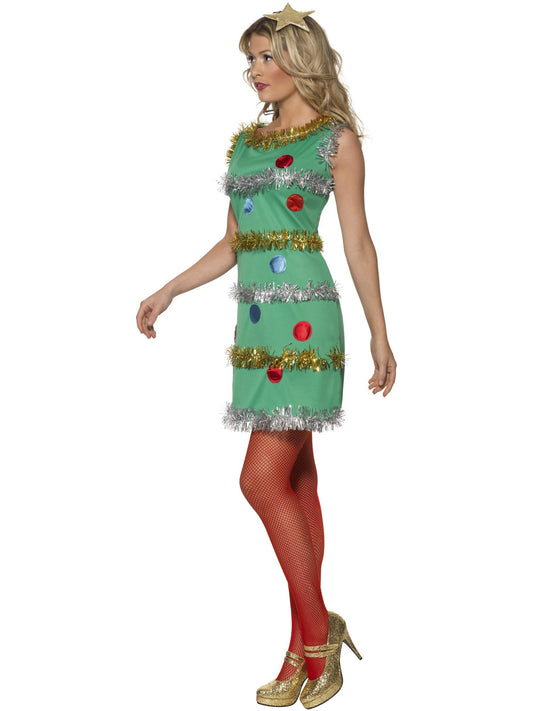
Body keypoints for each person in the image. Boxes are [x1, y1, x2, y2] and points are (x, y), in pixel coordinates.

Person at [136, 4, 396, 708]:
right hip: (256, 329)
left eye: (264, 56)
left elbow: (358, 241)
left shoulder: (335, 141)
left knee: (259, 479)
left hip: (307, 326)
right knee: (296, 480)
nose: (253, 71)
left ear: (298, 59)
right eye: (248, 59)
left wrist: (379, 332)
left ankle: (317, 636)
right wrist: (170, 288)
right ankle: (300, 644)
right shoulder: (246, 145)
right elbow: (234, 243)